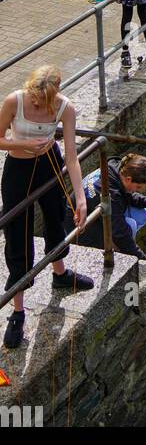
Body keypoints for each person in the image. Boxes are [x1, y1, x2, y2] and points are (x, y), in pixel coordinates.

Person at [1, 66, 92, 350]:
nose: (38, 105)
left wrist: (80, 198)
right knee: (17, 230)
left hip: (49, 164)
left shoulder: (66, 108)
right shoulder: (14, 101)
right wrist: (24, 143)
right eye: (35, 99)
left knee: (55, 217)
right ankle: (17, 309)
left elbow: (73, 157)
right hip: (18, 167)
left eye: (44, 101)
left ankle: (60, 273)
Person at [73, 154, 146, 261]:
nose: (141, 190)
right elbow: (120, 233)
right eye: (138, 187)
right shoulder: (111, 194)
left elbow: (126, 193)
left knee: (143, 213)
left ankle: (124, 246)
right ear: (128, 179)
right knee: (129, 227)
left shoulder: (117, 169)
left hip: (99, 217)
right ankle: (122, 253)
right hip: (83, 233)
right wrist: (144, 260)